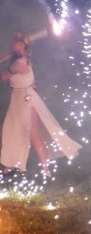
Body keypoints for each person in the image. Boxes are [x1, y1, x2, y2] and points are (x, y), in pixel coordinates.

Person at [0, 32, 81, 178]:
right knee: (10, 129)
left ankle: (46, 170)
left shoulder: (21, 63)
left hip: (26, 98)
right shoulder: (18, 56)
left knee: (33, 134)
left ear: (22, 45)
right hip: (18, 97)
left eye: (16, 42)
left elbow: (5, 75)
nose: (13, 44)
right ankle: (10, 164)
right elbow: (11, 56)